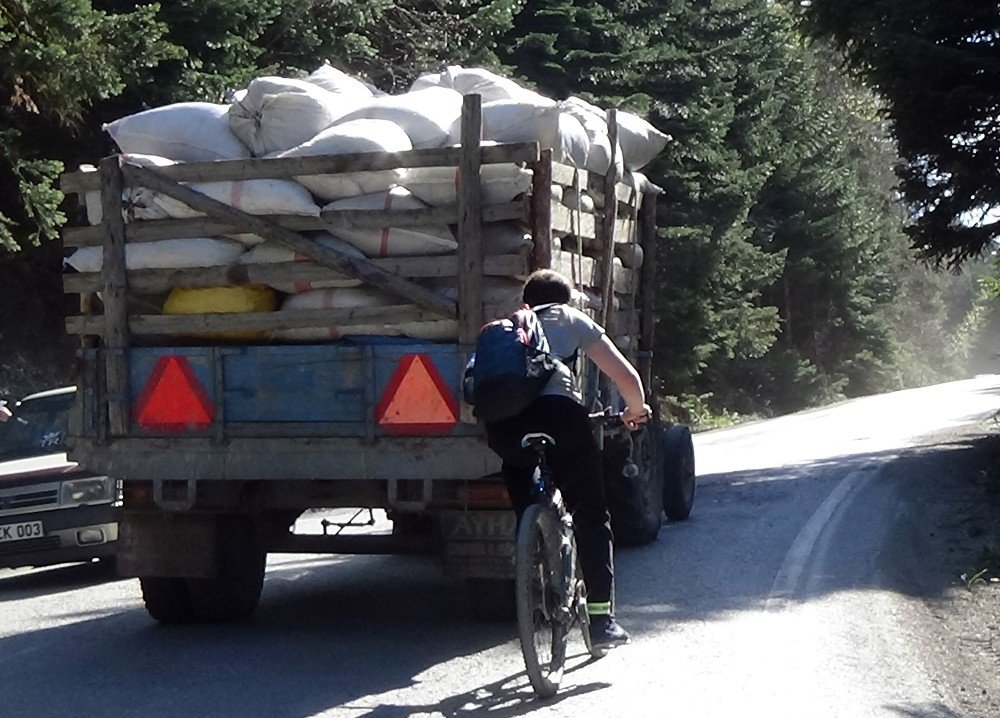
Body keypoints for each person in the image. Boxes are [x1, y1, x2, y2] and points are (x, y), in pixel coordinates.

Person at [484, 269, 650, 648]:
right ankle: (601, 619)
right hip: (560, 417)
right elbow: (625, 377)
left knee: (524, 491)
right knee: (591, 514)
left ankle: (534, 557)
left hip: (504, 427)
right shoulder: (571, 318)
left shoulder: (508, 328)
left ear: (527, 302)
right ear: (565, 299)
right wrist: (635, 412)